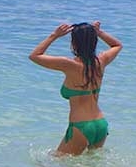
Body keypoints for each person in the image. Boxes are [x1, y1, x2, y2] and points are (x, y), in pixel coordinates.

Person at [29, 21, 122, 156]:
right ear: (94, 41)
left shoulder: (69, 64)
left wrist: (54, 36)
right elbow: (117, 45)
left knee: (56, 163)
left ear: (74, 44)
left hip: (81, 126)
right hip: (101, 124)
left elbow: (35, 56)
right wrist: (99, 32)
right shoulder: (101, 61)